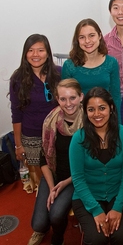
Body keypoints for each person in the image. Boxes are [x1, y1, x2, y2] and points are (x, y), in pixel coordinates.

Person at [70, 87, 123, 245]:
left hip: (118, 195)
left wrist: (118, 207)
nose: (97, 114)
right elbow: (78, 179)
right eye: (91, 109)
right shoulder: (78, 139)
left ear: (111, 108)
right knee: (96, 238)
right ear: (85, 112)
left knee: (121, 236)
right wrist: (96, 210)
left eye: (102, 108)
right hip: (87, 198)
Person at [28, 78, 84, 245]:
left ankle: (57, 239)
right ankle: (45, 228)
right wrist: (52, 188)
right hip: (53, 174)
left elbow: (91, 164)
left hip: (75, 178)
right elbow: (43, 158)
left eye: (72, 98)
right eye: (63, 99)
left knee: (56, 214)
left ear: (81, 97)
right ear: (57, 99)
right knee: (37, 224)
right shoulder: (51, 120)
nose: (68, 103)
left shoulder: (89, 122)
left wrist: (64, 184)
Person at [9, 34, 61, 192]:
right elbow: (16, 114)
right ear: (25, 54)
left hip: (56, 133)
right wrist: (18, 145)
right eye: (31, 50)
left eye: (40, 50)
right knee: (41, 182)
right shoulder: (18, 79)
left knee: (59, 173)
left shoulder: (59, 73)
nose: (36, 54)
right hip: (31, 136)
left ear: (48, 53)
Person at [62, 18, 121, 117]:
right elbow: (64, 98)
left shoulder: (111, 62)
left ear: (100, 36)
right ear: (77, 40)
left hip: (105, 119)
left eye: (91, 35)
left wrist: (117, 124)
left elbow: (116, 97)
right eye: (82, 37)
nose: (87, 41)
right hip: (78, 120)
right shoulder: (69, 65)